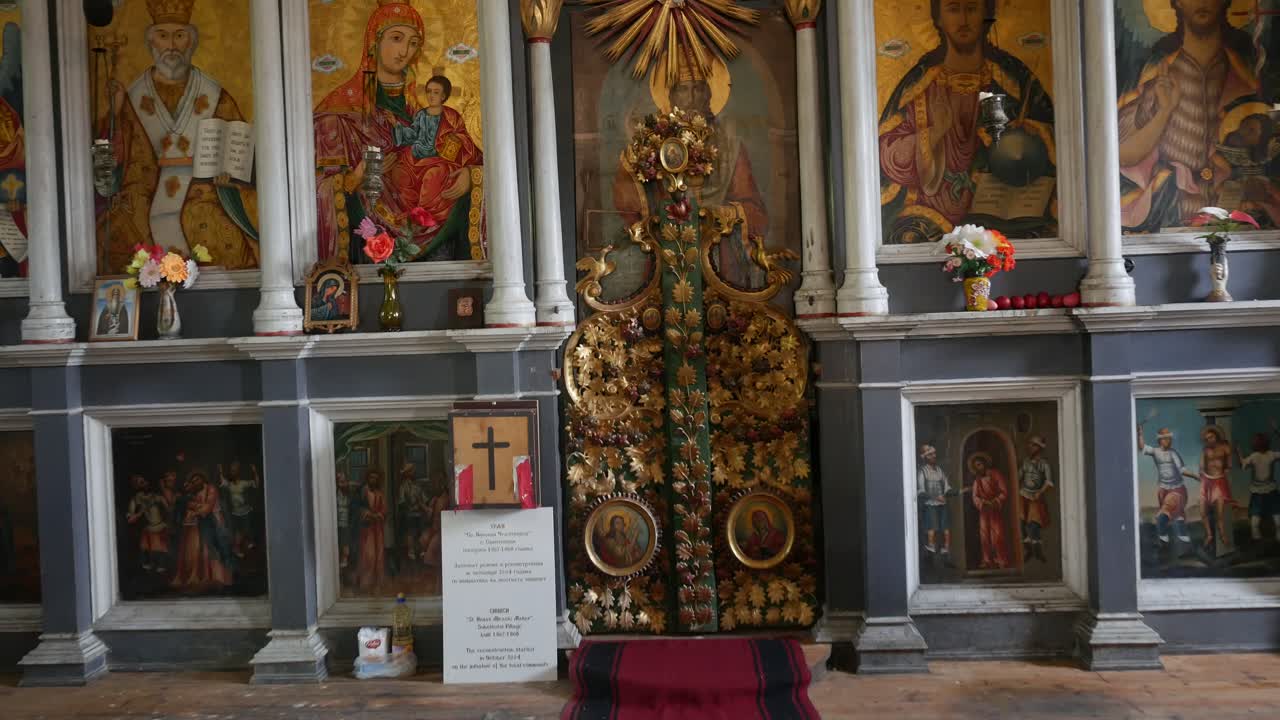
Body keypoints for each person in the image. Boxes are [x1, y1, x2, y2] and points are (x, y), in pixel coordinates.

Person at [97, 0, 260, 273]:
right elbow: (114, 155)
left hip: (203, 189)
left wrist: (230, 175)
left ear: (192, 42)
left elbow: (241, 150)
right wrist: (114, 113)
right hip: (144, 188)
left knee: (213, 222)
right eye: (163, 35)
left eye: (179, 35)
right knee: (116, 229)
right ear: (151, 42)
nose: (171, 45)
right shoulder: (134, 97)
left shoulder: (214, 94)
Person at [314, 3, 481, 265]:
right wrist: (357, 176)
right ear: (373, 42)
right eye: (396, 39)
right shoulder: (338, 114)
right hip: (368, 244)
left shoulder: (423, 111)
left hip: (429, 217)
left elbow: (474, 157)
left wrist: (471, 175)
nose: (404, 51)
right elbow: (315, 187)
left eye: (413, 43)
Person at [879, 0, 1055, 244]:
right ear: (938, 18)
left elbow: (1053, 135)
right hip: (930, 211)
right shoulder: (921, 83)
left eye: (971, 8)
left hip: (1001, 209)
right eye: (953, 8)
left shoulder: (1013, 78)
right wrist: (934, 131)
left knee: (1037, 236)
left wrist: (1025, 136)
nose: (963, 19)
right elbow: (888, 153)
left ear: (987, 14)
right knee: (908, 237)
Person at [611, 49, 768, 289]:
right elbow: (629, 205)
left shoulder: (728, 142)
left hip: (718, 253)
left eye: (698, 88)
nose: (692, 97)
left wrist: (718, 214)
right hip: (666, 249)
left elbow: (753, 208)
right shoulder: (654, 142)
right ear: (671, 97)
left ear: (709, 93)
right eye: (683, 89)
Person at [1117, 0, 1261, 231]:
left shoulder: (1245, 72)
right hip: (1167, 210)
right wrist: (1165, 110)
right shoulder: (1157, 73)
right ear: (1178, 3)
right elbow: (1122, 154)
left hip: (1226, 208)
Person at [171, 471, 233, 591]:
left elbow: (207, 508)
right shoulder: (195, 492)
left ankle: (219, 578)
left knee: (216, 547)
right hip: (204, 523)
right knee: (204, 550)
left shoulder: (211, 489)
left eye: (197, 480)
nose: (195, 483)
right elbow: (192, 506)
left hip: (216, 522)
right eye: (193, 481)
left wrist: (194, 508)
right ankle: (207, 577)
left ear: (203, 479)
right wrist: (194, 506)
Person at [1137, 425, 1200, 543]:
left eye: (1170, 438)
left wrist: (1196, 476)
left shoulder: (1173, 453)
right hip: (1163, 489)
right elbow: (1142, 448)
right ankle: (1178, 537)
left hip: (1177, 489)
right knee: (1175, 513)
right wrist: (1140, 433)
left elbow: (1182, 470)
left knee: (1166, 512)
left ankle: (1163, 534)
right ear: (1160, 440)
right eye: (1166, 438)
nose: (1169, 441)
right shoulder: (1155, 451)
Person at [1238, 424, 1280, 542]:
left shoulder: (1256, 456)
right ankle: (1271, 535)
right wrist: (1277, 431)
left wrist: (1239, 454)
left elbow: (1243, 465)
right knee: (1275, 512)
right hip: (1268, 489)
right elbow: (1243, 464)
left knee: (1258, 514)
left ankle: (1257, 536)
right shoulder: (1269, 454)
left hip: (1261, 489)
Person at [1199, 425, 1239, 550]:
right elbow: (1201, 464)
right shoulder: (1205, 450)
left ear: (1216, 436)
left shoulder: (1225, 448)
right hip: (1206, 481)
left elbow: (1229, 464)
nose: (1209, 440)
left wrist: (1226, 468)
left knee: (1219, 513)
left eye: (1211, 437)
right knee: (1202, 511)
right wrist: (1201, 472)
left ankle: (1223, 536)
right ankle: (1209, 535)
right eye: (1206, 438)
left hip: (1219, 481)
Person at [969, 453, 1009, 569]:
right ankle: (987, 560)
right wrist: (982, 503)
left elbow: (1003, 491)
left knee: (997, 536)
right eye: (975, 466)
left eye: (979, 464)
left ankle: (1001, 559)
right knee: (984, 536)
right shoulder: (977, 480)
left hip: (995, 509)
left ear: (985, 464)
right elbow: (975, 496)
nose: (978, 468)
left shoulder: (995, 474)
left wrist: (995, 501)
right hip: (984, 511)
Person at [1017, 435, 1054, 562]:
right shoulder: (1026, 462)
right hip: (1023, 495)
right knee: (1021, 524)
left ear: (1039, 448)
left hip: (1035, 497)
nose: (1030, 447)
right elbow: (1019, 477)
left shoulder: (1044, 464)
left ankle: (1038, 552)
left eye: (1033, 445)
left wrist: (1039, 492)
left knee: (1034, 525)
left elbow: (1048, 482)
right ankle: (1028, 551)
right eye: (1030, 444)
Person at [125, 475, 169, 573]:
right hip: (148, 527)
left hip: (159, 525)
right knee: (146, 547)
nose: (145, 483)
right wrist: (136, 514)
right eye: (141, 482)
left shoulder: (156, 496)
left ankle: (161, 565)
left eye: (145, 481)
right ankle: (148, 565)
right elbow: (130, 515)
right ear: (137, 486)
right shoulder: (137, 498)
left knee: (160, 547)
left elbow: (168, 507)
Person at [916, 444, 953, 555]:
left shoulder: (939, 470)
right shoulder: (922, 471)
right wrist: (936, 497)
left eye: (934, 454)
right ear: (925, 457)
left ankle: (946, 548)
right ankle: (931, 546)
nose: (933, 456)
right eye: (930, 455)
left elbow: (946, 487)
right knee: (931, 526)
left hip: (942, 502)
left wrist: (957, 491)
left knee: (945, 526)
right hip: (930, 503)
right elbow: (921, 491)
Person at [219, 461, 259, 559]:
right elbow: (222, 481)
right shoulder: (229, 485)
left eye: (235, 471)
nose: (233, 473)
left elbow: (256, 484)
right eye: (232, 471)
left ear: (238, 472)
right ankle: (236, 549)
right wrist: (220, 471)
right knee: (237, 533)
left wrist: (255, 472)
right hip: (236, 513)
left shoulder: (243, 483)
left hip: (245, 511)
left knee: (246, 530)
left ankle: (246, 545)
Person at [357, 469, 388, 590]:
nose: (373, 480)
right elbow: (359, 508)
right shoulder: (363, 493)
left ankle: (378, 583)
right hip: (367, 529)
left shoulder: (380, 494)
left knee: (379, 555)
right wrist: (368, 515)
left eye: (375, 478)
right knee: (368, 555)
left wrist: (379, 515)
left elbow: (384, 510)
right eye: (371, 478)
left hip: (378, 528)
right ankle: (366, 583)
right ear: (367, 479)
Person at [396, 463, 429, 563]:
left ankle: (421, 551)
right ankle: (411, 553)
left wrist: (422, 505)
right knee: (410, 533)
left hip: (419, 513)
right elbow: (401, 501)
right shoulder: (403, 486)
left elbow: (424, 498)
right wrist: (410, 506)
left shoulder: (417, 485)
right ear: (407, 473)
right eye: (411, 471)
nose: (414, 473)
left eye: (413, 471)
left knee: (421, 532)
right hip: (410, 514)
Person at [336, 471, 353, 570]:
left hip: (347, 524)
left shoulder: (349, 494)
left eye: (344, 482)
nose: (343, 484)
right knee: (341, 547)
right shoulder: (335, 495)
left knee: (346, 548)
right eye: (340, 482)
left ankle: (345, 564)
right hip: (338, 524)